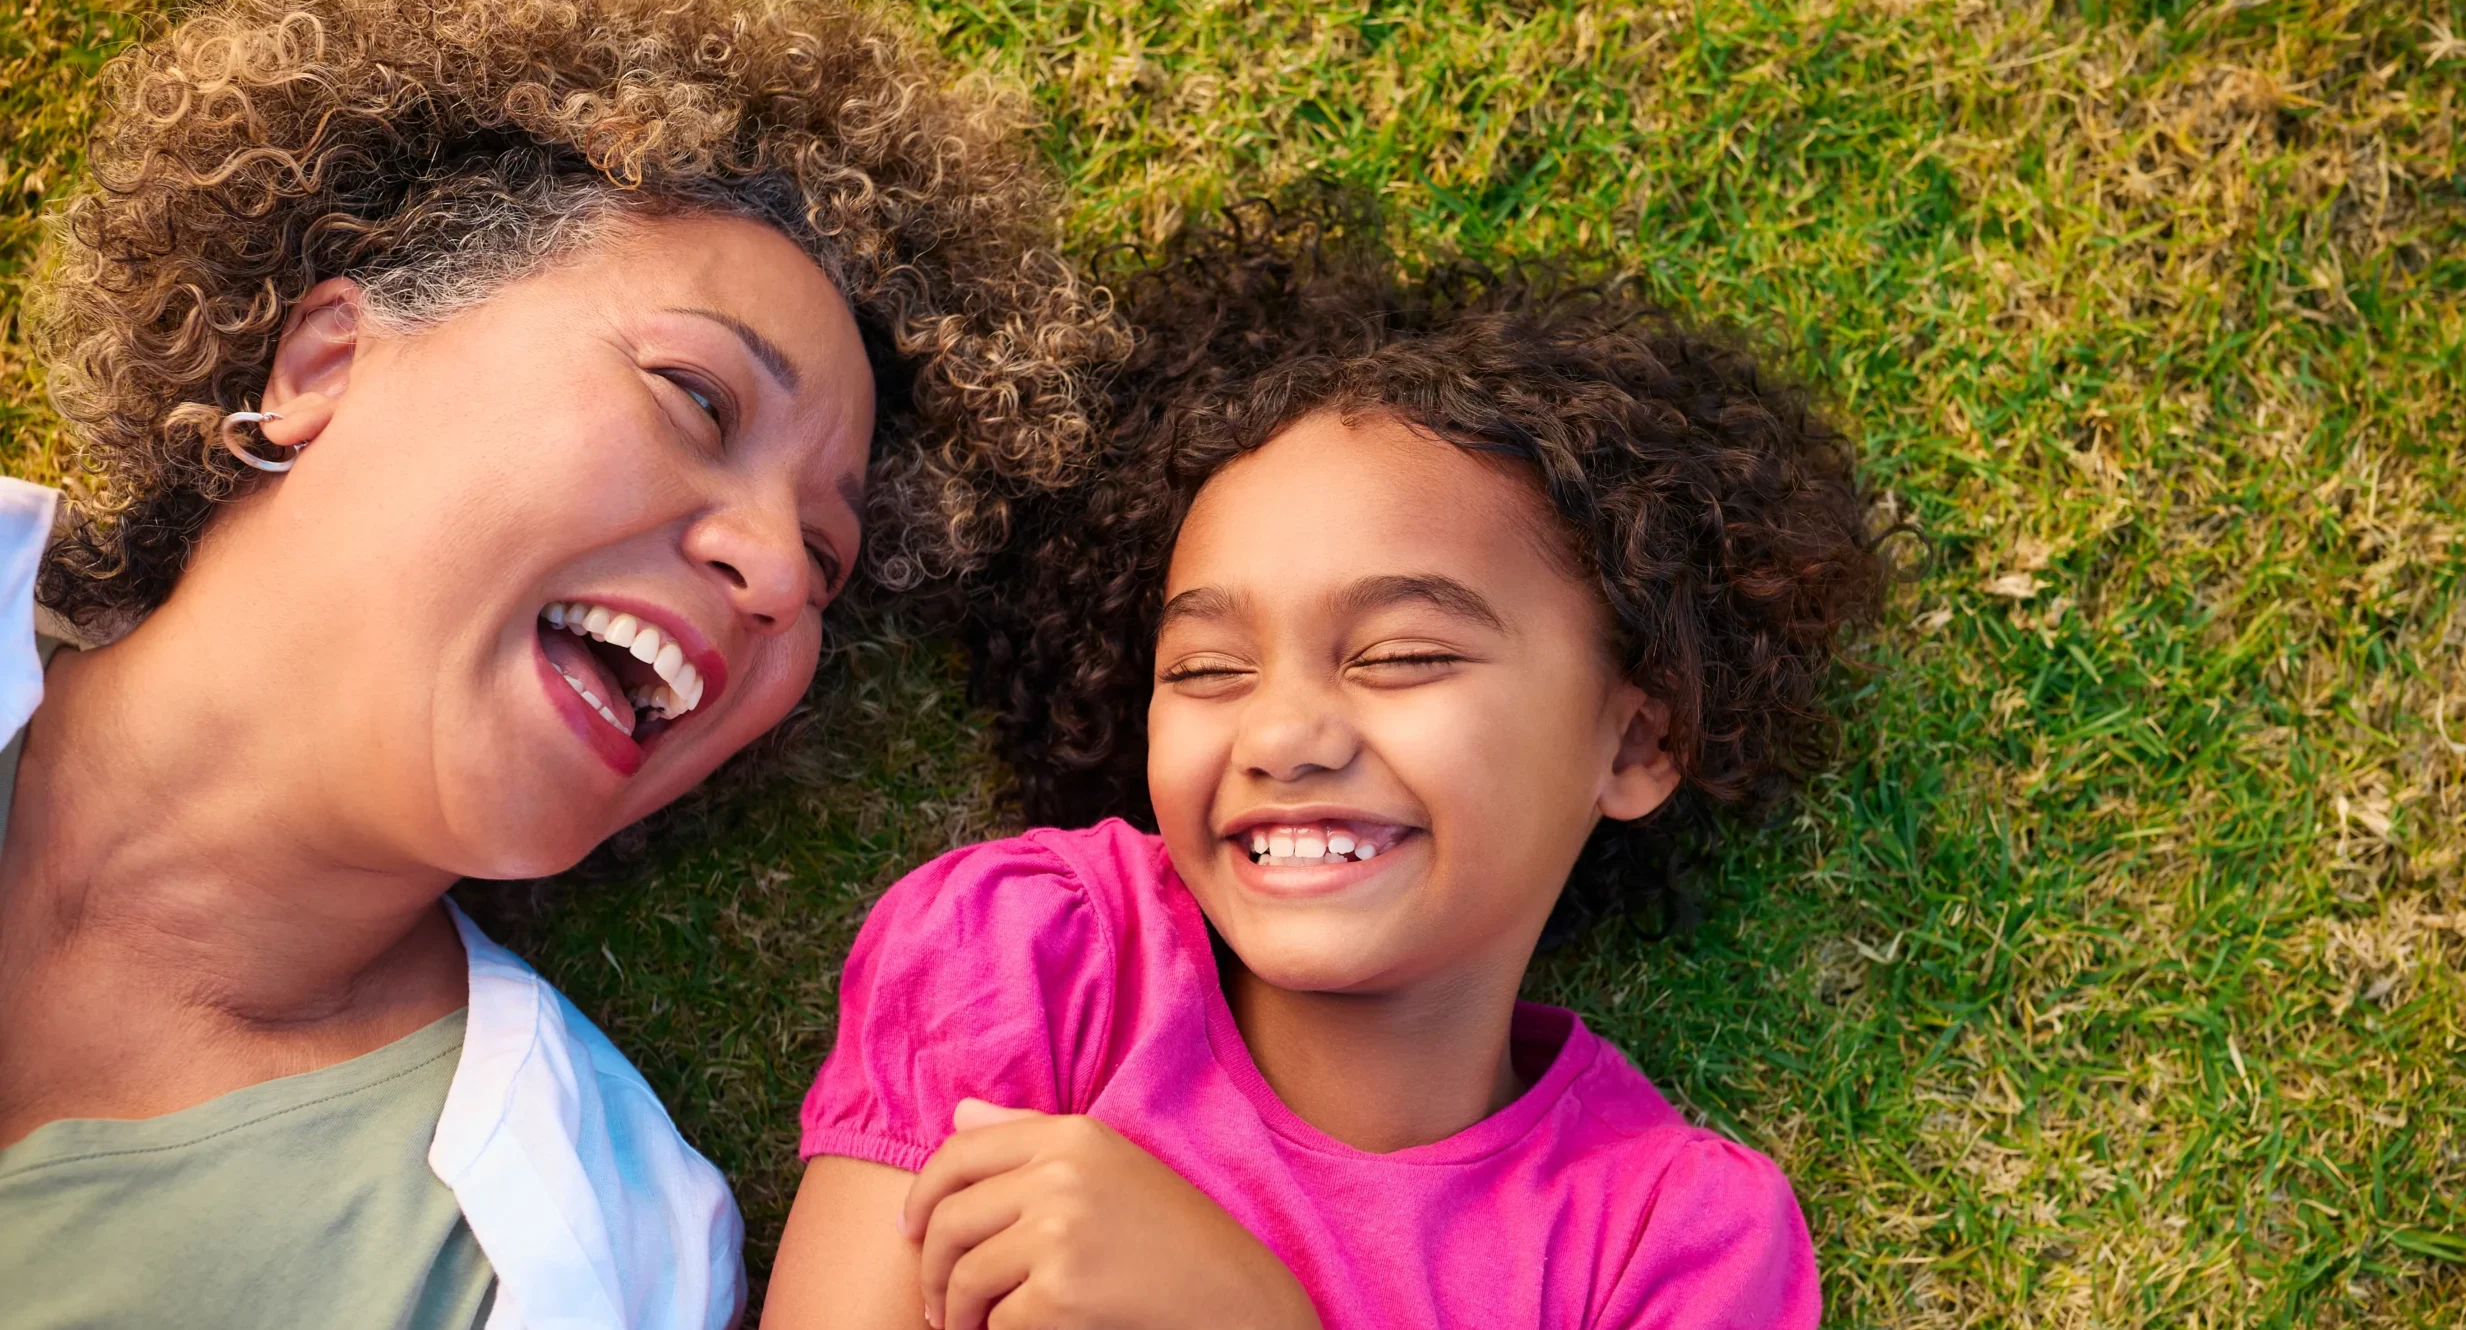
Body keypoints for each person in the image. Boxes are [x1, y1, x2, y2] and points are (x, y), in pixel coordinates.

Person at [0, 0, 1117, 1330]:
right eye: (697, 398)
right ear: (326, 361)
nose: (778, 571)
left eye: (826, 566)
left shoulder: (572, 1253)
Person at [764, 207, 1885, 1328]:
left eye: (1400, 656)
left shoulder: (1672, 1243)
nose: (1280, 736)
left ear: (1636, 743)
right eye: (1206, 668)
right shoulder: (1033, 959)